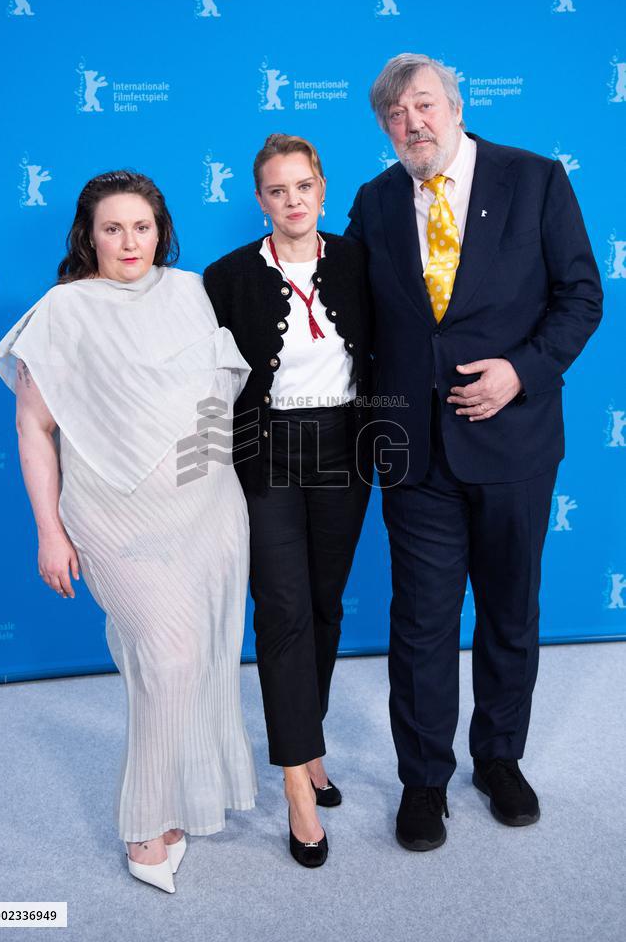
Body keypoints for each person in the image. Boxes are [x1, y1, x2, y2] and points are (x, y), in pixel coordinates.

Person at [345, 54, 603, 851]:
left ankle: (499, 759)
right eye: (395, 115)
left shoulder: (534, 179)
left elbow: (582, 294)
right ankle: (424, 781)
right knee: (419, 623)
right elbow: (354, 319)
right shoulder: (375, 200)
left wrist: (519, 373)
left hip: (516, 442)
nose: (413, 122)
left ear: (456, 106)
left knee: (509, 612)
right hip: (415, 454)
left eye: (425, 104)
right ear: (385, 130)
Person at [0, 171, 257, 892]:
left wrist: (214, 487)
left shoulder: (189, 291)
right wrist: (49, 530)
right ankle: (145, 822)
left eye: (141, 226)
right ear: (88, 235)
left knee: (197, 662)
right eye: (113, 228)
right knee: (166, 659)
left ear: (159, 230)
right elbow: (34, 426)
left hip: (205, 511)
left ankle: (185, 800)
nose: (129, 242)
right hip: (111, 515)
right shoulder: (61, 310)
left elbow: (214, 400)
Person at [204, 134, 372, 867]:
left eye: (303, 186)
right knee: (282, 610)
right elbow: (207, 384)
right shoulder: (226, 277)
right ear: (260, 199)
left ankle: (311, 748)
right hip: (265, 455)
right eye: (276, 190)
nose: (292, 200)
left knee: (327, 606)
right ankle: (297, 792)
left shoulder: (362, 260)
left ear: (323, 188)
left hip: (346, 450)